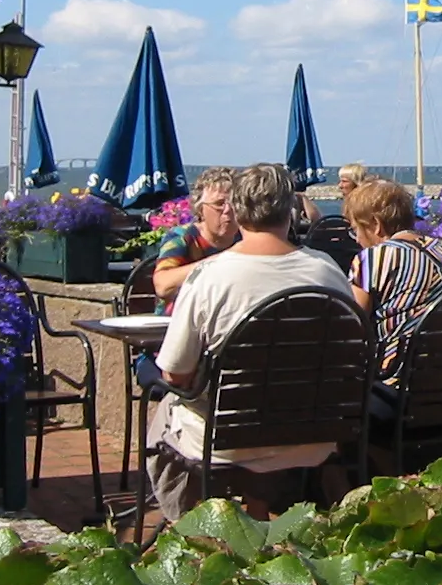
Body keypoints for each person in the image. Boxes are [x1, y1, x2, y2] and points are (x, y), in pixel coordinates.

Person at [148, 163, 353, 520]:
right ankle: (256, 514)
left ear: (238, 210)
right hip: (313, 435)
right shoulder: (327, 271)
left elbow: (175, 375)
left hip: (229, 440)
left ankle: (195, 527)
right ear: (290, 210)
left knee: (166, 410)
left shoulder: (210, 277)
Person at [347, 179, 442, 384]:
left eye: (355, 229)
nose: (356, 239)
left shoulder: (374, 258)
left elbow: (351, 326)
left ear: (376, 224)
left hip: (397, 381)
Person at [152, 167, 239, 313]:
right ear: (200, 210)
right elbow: (163, 285)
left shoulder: (245, 238)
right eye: (219, 204)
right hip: (177, 322)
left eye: (235, 203)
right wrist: (217, 263)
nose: (227, 210)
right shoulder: (182, 237)